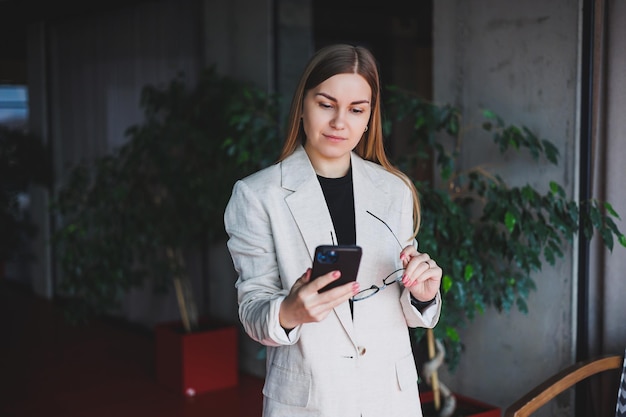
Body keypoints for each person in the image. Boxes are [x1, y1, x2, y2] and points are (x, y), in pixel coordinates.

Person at [224, 43, 442, 417]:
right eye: (326, 105)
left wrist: (423, 296)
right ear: (303, 105)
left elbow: (404, 312)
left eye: (357, 110)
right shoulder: (257, 195)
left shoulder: (394, 191)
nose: (341, 122)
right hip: (310, 401)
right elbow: (253, 311)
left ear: (370, 116)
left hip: (389, 400)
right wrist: (290, 311)